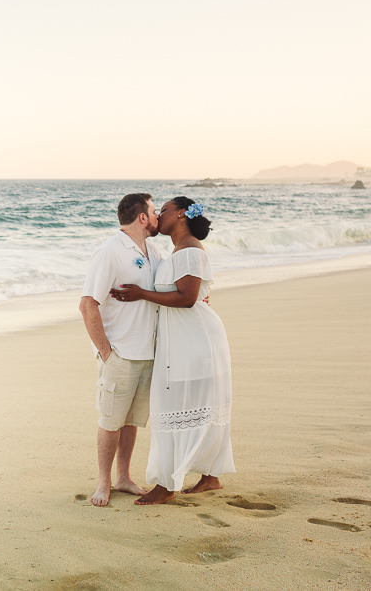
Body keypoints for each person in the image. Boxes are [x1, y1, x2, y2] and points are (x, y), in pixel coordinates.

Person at [112, 196, 235, 505]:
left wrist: (142, 294)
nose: (158, 216)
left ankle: (167, 485)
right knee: (194, 404)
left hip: (196, 340)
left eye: (163, 210)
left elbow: (187, 298)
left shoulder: (190, 250)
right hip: (185, 338)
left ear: (181, 214)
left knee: (177, 404)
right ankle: (211, 477)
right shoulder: (178, 251)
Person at [79, 193, 162, 507]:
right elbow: (88, 304)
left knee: (131, 420)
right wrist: (105, 351)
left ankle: (123, 477)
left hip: (147, 352)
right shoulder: (110, 252)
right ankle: (103, 483)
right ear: (142, 217)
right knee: (111, 420)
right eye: (154, 211)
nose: (157, 217)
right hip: (120, 353)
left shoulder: (152, 251)